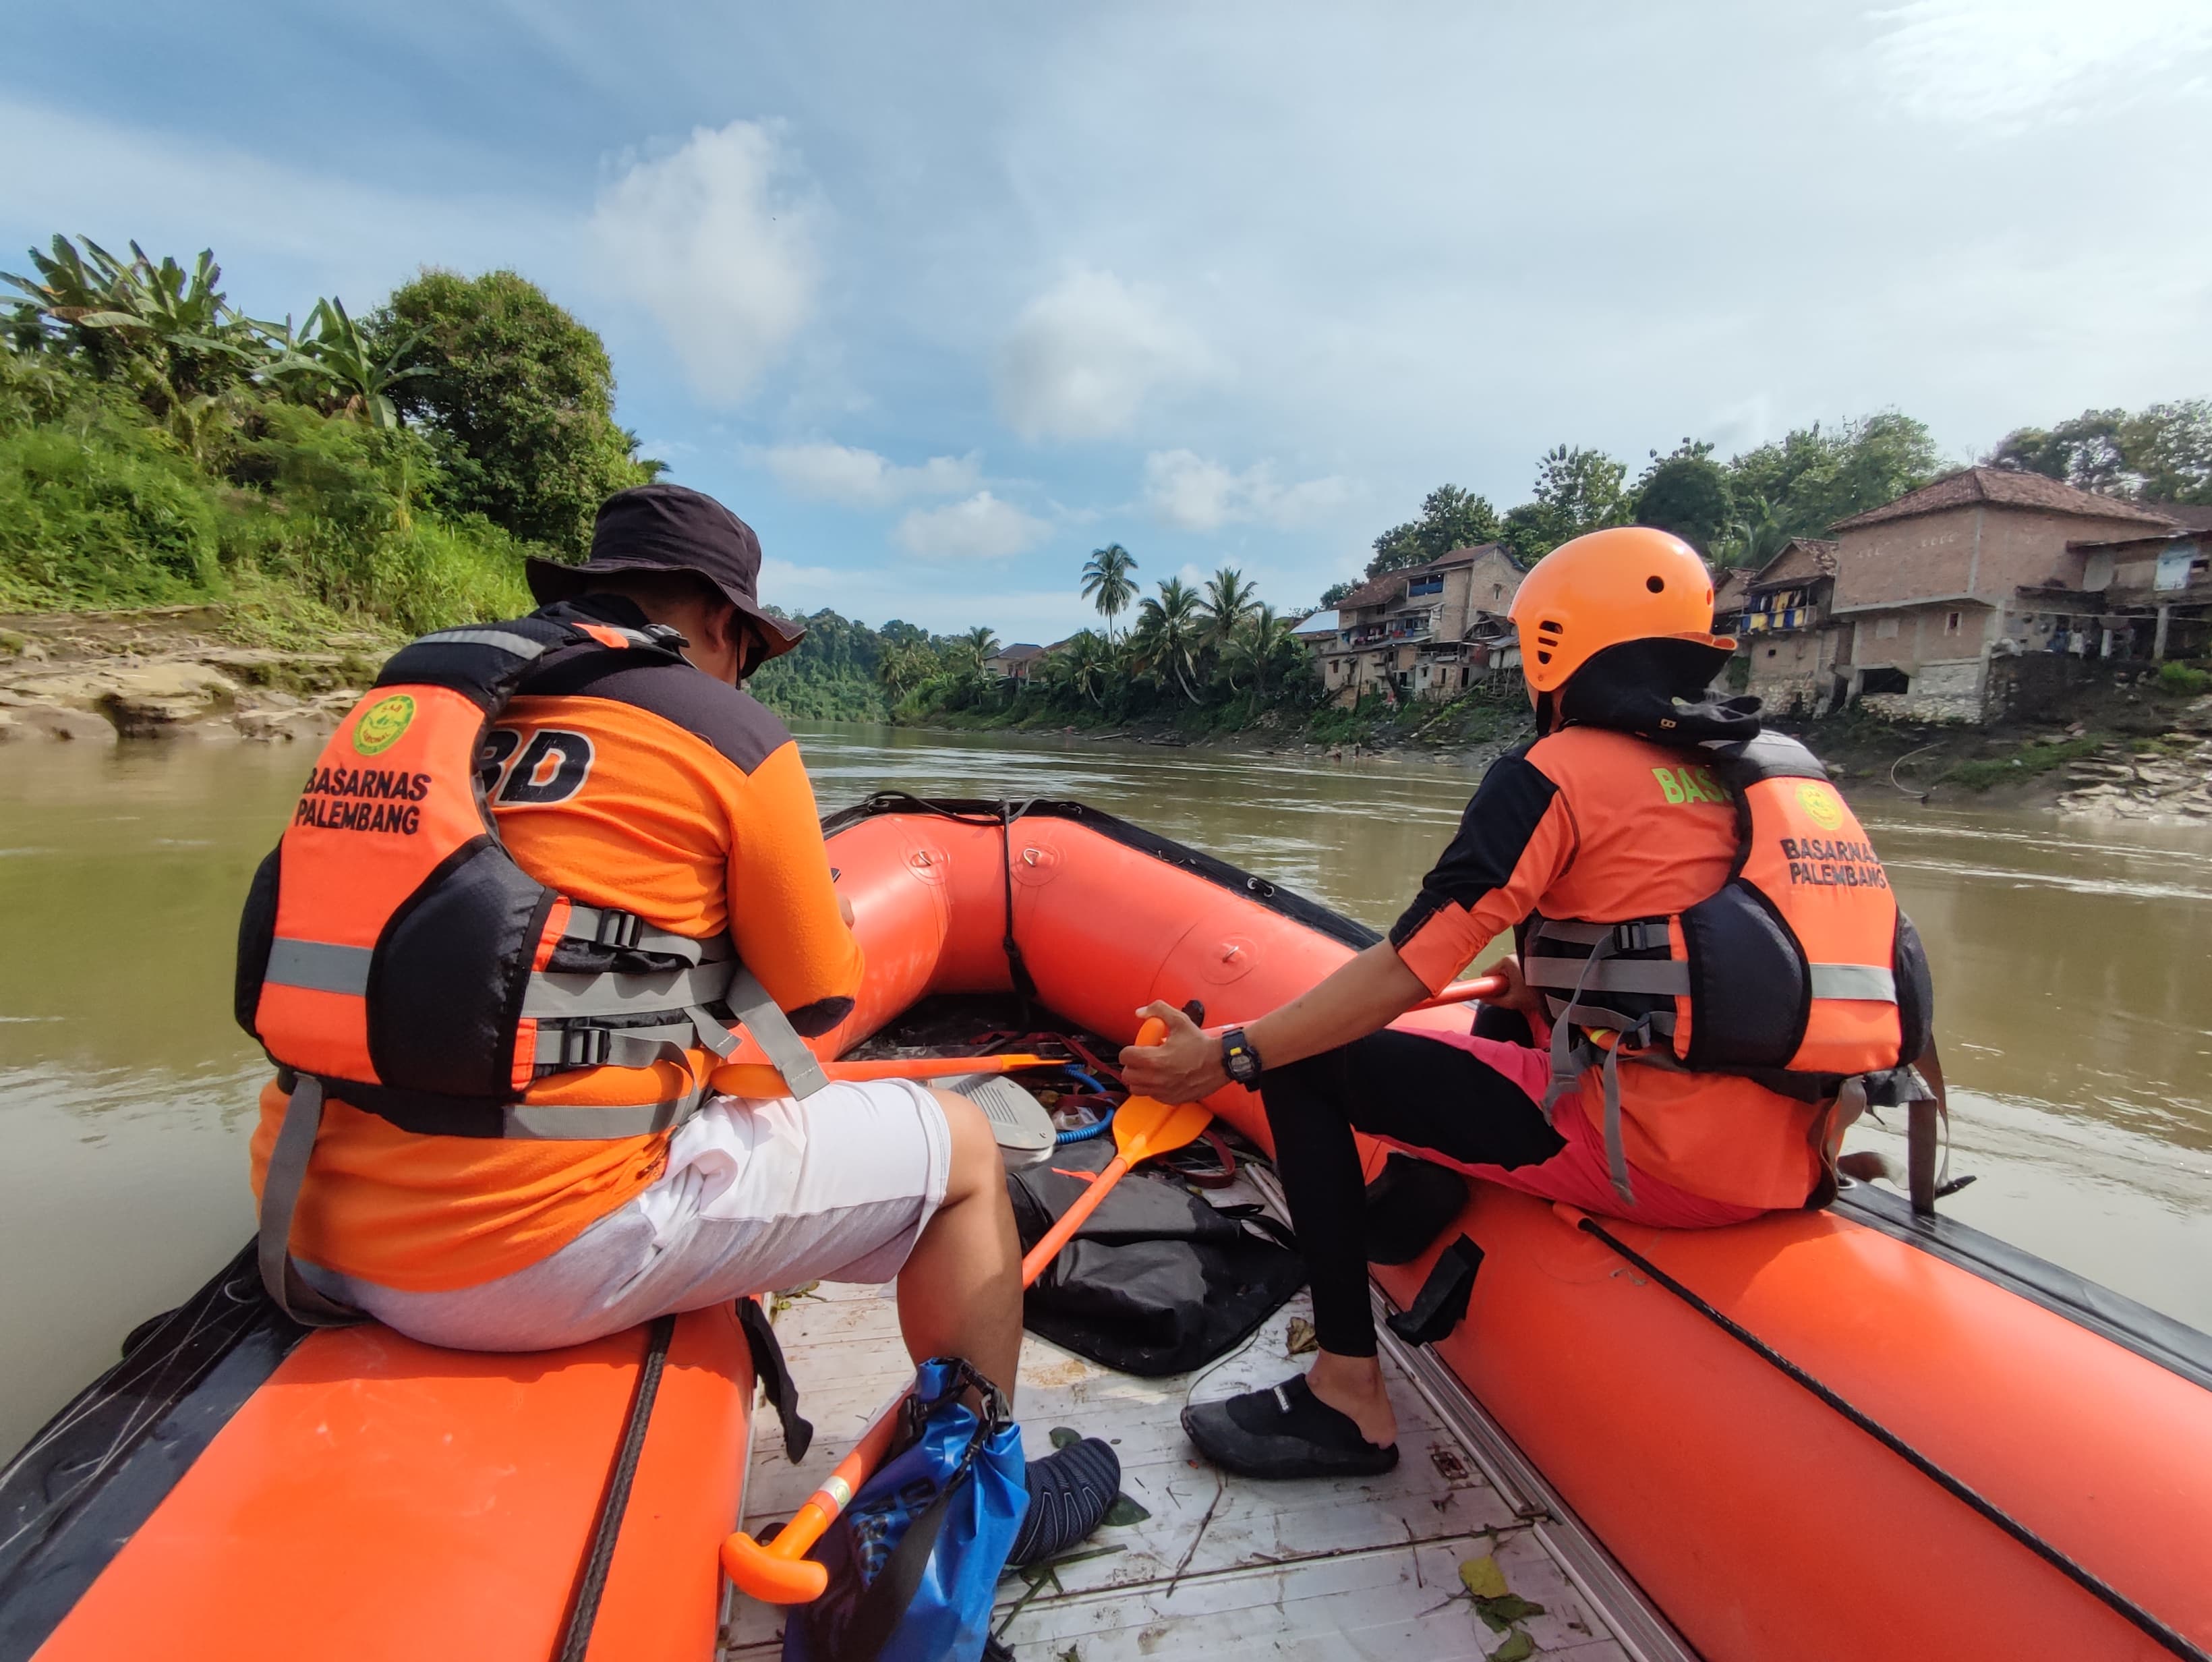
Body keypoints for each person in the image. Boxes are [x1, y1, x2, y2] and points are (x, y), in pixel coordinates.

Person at [243, 484, 1115, 1564]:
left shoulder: (419, 702)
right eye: (747, 646)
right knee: (970, 1153)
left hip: (304, 1215)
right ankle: (980, 1503)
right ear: (720, 622)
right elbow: (825, 998)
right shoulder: (724, 730)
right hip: (518, 1259)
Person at [1120, 526, 1942, 1481]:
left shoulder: (1556, 772)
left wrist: (1228, 1055)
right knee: (1513, 1007)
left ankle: (1347, 1393)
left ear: (1556, 645)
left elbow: (1408, 968)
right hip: (1799, 1154)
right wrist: (1545, 984)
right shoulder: (1775, 772)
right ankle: (1417, 1200)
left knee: (1302, 1062)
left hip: (1665, 1163)